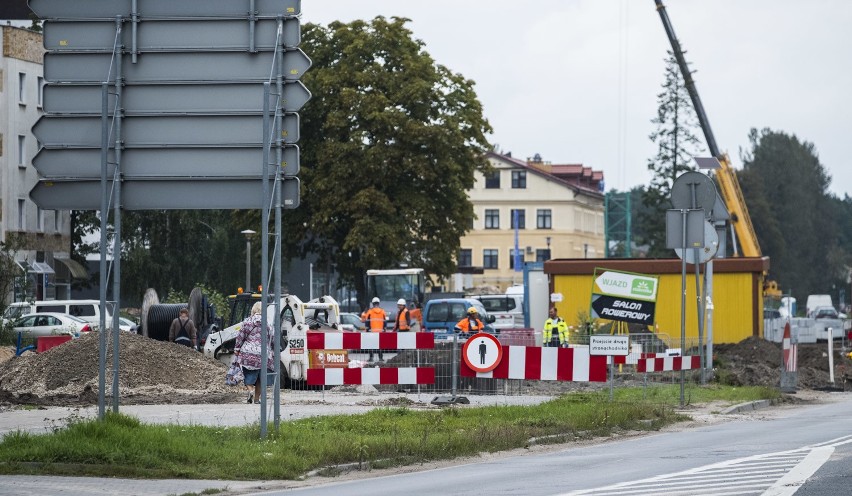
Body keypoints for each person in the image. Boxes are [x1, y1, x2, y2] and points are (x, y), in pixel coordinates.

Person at [234, 301, 274, 404]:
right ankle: (257, 399)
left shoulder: (248, 321)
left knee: (247, 374)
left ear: (253, 309)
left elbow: (240, 337)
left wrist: (237, 349)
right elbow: (272, 338)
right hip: (264, 354)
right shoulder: (268, 322)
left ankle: (250, 390)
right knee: (261, 378)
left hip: (248, 352)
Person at [361, 297, 387, 361]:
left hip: (371, 331)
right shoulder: (383, 311)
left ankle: (371, 358)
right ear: (378, 303)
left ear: (373, 304)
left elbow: (367, 322)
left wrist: (367, 330)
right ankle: (380, 358)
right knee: (380, 345)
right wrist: (384, 330)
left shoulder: (370, 311)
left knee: (371, 345)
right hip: (380, 331)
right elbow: (385, 322)